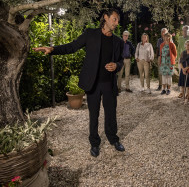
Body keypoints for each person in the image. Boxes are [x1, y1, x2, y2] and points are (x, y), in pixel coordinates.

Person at [33, 9, 125, 157]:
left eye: (117, 20)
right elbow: (72, 47)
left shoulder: (118, 41)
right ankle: (94, 143)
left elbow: (121, 61)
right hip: (93, 83)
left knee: (111, 114)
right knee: (93, 115)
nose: (116, 23)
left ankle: (113, 139)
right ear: (106, 18)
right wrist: (52, 49)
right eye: (114, 19)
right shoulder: (91, 34)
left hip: (109, 84)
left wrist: (117, 66)